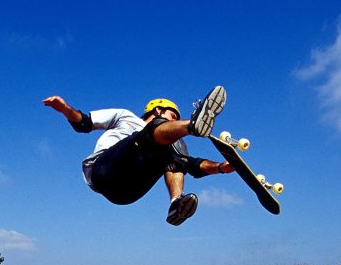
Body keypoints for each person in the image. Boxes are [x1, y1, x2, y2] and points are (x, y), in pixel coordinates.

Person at [43, 86, 234, 226]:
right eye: (173, 116)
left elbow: (191, 165)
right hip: (104, 171)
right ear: (158, 110)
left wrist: (221, 168)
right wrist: (64, 109)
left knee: (176, 150)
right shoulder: (125, 116)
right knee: (159, 136)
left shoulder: (170, 145)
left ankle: (176, 204)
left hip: (126, 193)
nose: (174, 120)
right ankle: (192, 125)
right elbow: (84, 122)